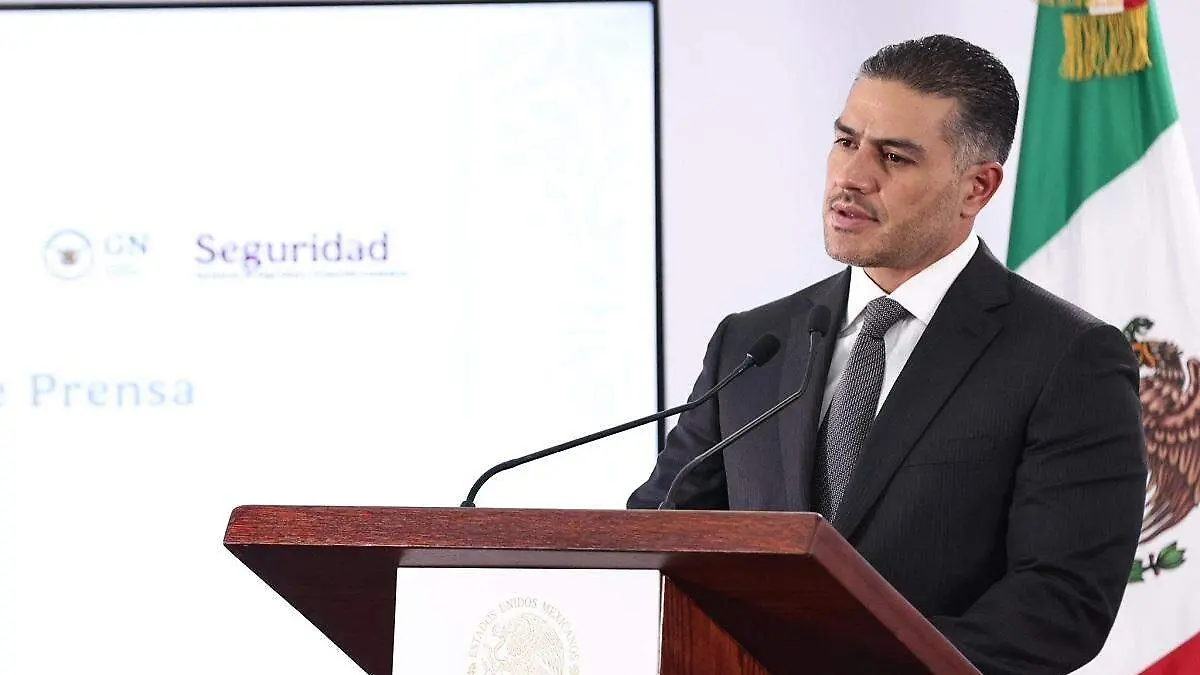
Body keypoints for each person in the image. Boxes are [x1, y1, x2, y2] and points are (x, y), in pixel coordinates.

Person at [627, 34, 1148, 675]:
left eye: (894, 157)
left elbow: (1059, 605)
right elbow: (662, 534)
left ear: (977, 188)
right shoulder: (753, 342)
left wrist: (851, 663)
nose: (852, 177)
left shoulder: (1068, 357)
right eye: (846, 141)